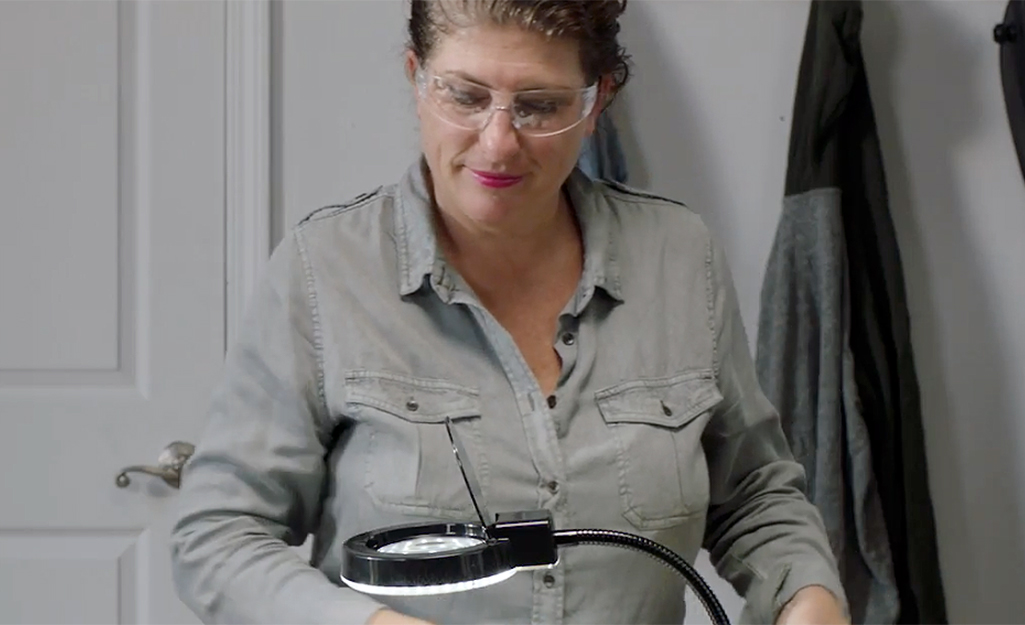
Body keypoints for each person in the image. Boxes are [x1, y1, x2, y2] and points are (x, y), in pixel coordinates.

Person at [170, 1, 851, 623]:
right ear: (416, 79)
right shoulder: (324, 272)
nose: (497, 142)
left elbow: (756, 495)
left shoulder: (680, 259)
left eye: (539, 105)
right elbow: (218, 535)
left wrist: (806, 595)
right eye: (464, 96)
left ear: (597, 102)